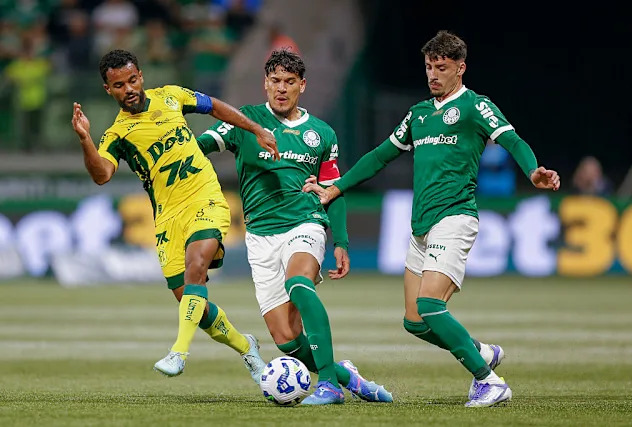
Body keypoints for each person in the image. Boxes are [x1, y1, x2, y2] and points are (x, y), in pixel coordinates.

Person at [303, 31, 561, 407]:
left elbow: (512, 140)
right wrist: (337, 187)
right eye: (428, 67)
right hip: (420, 226)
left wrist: (533, 170)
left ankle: (489, 382)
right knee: (414, 320)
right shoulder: (419, 114)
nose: (433, 75)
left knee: (430, 306)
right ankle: (479, 351)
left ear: (461, 68)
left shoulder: (475, 106)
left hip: (454, 218)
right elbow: (380, 156)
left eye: (441, 67)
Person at [70, 49, 280, 385]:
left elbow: (214, 106)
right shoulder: (116, 135)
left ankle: (178, 352)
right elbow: (101, 175)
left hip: (205, 197)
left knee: (197, 265)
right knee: (193, 305)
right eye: (119, 85)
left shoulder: (171, 96)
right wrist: (85, 139)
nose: (129, 89)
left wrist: (255, 128)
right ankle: (246, 347)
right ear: (108, 90)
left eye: (132, 80)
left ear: (141, 75)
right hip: (168, 219)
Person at [196, 49, 392, 405]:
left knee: (299, 283)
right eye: (275, 81)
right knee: (286, 339)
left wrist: (341, 241)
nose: (281, 88)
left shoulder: (322, 133)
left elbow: (334, 190)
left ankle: (329, 385)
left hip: (305, 223)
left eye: (289, 82)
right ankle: (348, 376)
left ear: (303, 85)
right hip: (260, 236)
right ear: (265, 84)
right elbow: (201, 145)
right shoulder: (246, 121)